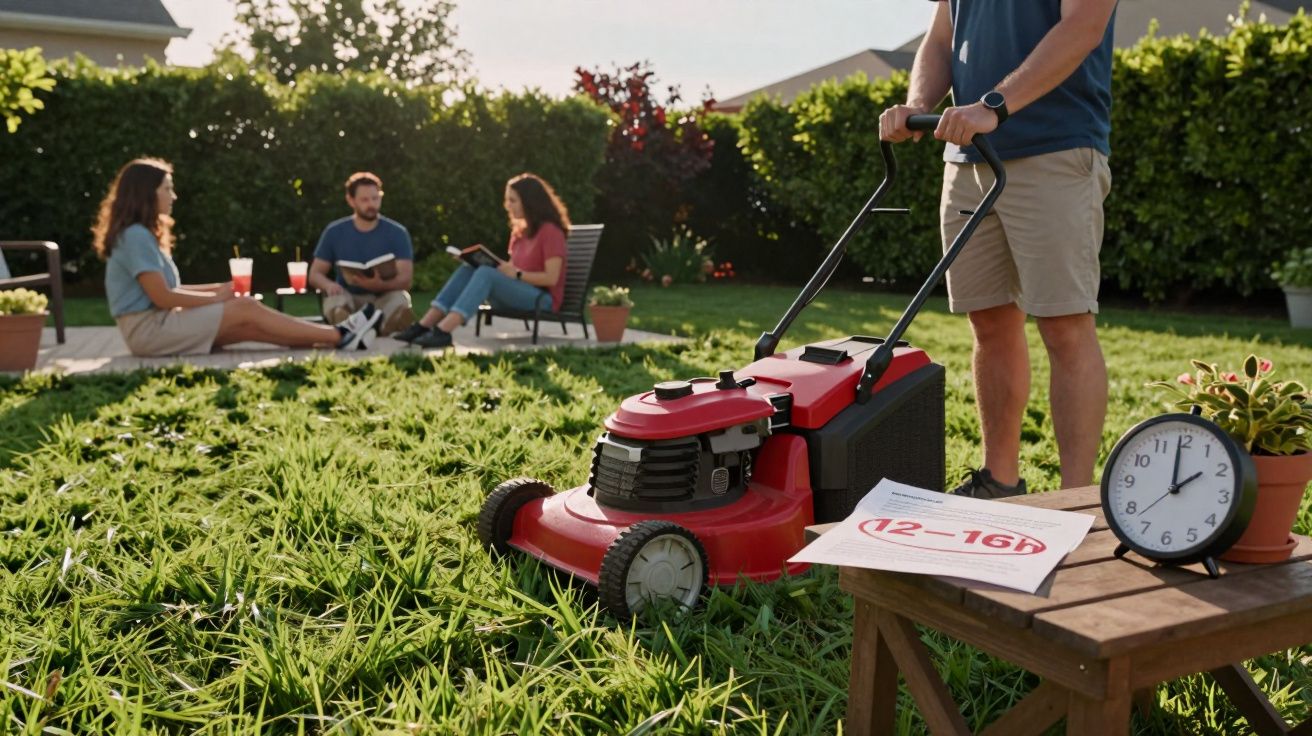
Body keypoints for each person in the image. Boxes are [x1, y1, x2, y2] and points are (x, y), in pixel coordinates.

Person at [879, 0, 1118, 497]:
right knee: (988, 321)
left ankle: (1077, 500)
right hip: (967, 159)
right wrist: (918, 102)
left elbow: (1083, 27)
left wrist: (993, 106)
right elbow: (941, 38)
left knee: (1065, 324)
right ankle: (999, 481)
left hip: (1056, 148)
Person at [95, 158, 380, 357]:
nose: (174, 195)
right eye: (167, 188)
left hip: (158, 327)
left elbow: (168, 291)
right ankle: (341, 334)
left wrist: (219, 289)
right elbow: (164, 298)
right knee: (245, 308)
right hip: (149, 331)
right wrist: (219, 298)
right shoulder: (135, 236)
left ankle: (331, 341)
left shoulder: (141, 234)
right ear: (147, 193)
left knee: (247, 326)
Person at [396, 173, 570, 349]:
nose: (507, 206)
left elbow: (551, 278)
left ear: (530, 202)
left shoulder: (550, 232)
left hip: (541, 300)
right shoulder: (520, 232)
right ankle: (423, 325)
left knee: (487, 273)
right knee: (468, 269)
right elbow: (513, 269)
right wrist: (479, 261)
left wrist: (516, 274)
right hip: (519, 293)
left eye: (513, 200)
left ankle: (443, 331)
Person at [309, 172, 416, 336]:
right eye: (365, 200)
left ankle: (369, 326)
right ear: (351, 200)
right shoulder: (334, 231)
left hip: (383, 297)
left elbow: (406, 280)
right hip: (349, 296)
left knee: (401, 298)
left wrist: (379, 285)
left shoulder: (397, 233)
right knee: (335, 300)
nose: (371, 204)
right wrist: (329, 285)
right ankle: (355, 324)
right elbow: (315, 274)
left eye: (375, 198)